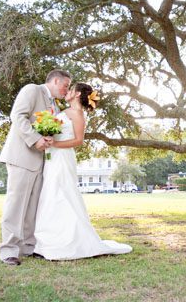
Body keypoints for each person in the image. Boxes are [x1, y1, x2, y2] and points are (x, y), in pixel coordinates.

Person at [33, 82, 133, 260]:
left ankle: (66, 242)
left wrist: (55, 143)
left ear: (77, 94)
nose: (67, 92)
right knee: (50, 194)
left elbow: (78, 141)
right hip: (53, 157)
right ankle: (47, 241)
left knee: (61, 194)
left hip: (63, 157)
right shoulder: (63, 110)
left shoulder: (78, 114)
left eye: (70, 90)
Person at [0, 69, 72, 266]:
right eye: (66, 85)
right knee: (16, 205)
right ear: (56, 81)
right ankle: (9, 250)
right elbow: (18, 116)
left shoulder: (54, 104)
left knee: (32, 207)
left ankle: (29, 247)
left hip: (41, 162)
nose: (67, 90)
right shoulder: (32, 90)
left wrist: (49, 138)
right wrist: (36, 139)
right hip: (21, 156)